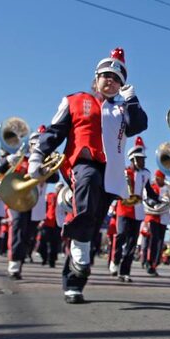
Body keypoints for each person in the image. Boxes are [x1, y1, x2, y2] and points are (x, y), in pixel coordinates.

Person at [30, 48, 148, 303]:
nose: (111, 81)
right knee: (87, 185)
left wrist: (133, 100)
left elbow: (138, 126)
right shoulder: (75, 99)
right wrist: (37, 155)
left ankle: (74, 284)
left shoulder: (122, 108)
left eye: (117, 78)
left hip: (111, 173)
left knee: (92, 225)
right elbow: (54, 131)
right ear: (96, 78)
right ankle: (79, 248)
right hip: (81, 164)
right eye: (106, 76)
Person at [0, 127, 51, 280]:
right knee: (18, 228)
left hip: (34, 202)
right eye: (35, 142)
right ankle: (14, 264)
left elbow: (54, 179)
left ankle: (18, 263)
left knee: (28, 234)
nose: (38, 146)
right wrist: (7, 160)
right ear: (30, 144)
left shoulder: (45, 161)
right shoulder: (20, 158)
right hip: (17, 200)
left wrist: (47, 169)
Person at [112, 137, 152, 282]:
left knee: (131, 243)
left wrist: (158, 199)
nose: (144, 161)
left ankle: (124, 272)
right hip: (123, 209)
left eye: (144, 159)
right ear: (133, 159)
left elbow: (149, 190)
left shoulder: (146, 173)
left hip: (138, 211)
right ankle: (115, 260)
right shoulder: (123, 171)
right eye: (141, 159)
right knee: (121, 235)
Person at [143, 170, 170, 277]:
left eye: (160, 178)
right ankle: (149, 263)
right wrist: (155, 203)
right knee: (153, 240)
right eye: (156, 177)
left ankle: (154, 264)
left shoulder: (168, 188)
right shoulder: (152, 186)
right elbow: (147, 198)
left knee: (160, 242)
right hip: (152, 217)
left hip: (163, 218)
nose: (157, 180)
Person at [38, 183, 63, 268]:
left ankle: (52, 261)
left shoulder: (65, 197)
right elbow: (43, 207)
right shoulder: (49, 195)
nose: (60, 189)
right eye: (59, 187)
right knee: (43, 242)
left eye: (62, 187)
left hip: (58, 223)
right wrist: (41, 219)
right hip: (47, 221)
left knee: (54, 243)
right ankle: (44, 258)